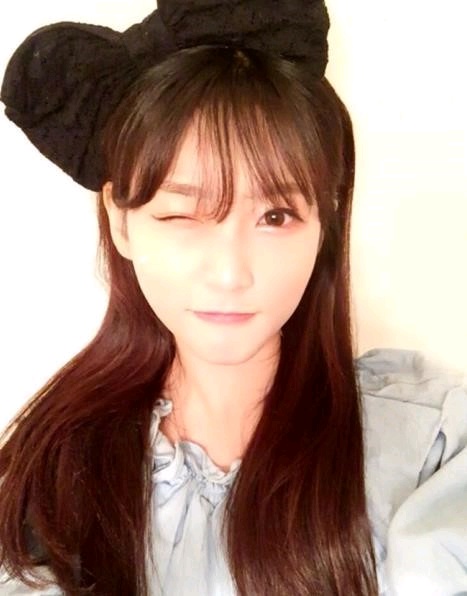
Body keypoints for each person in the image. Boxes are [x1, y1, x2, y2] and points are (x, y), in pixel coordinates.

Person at [0, 1, 466, 595]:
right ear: (121, 222)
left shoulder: (429, 447)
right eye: (182, 215)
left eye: (275, 216)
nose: (229, 273)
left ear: (324, 224)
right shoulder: (51, 477)